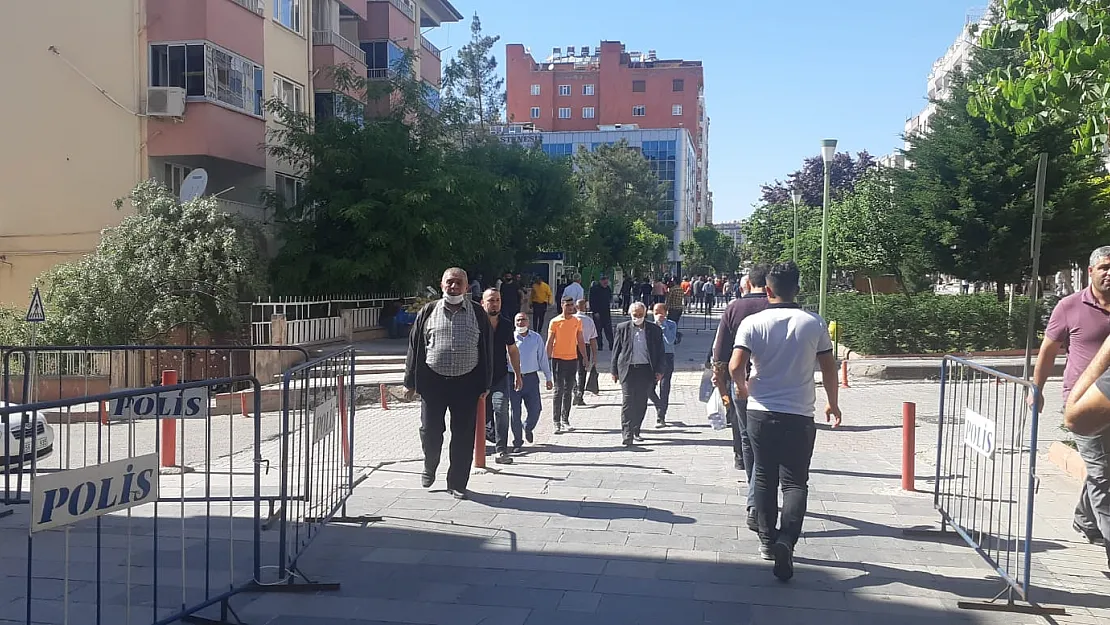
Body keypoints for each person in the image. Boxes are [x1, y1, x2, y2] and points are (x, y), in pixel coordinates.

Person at [729, 261, 842, 581]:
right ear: (798, 287)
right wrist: (833, 404)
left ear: (767, 290)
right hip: (800, 414)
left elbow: (736, 365)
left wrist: (742, 388)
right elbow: (830, 368)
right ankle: (786, 541)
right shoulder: (814, 323)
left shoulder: (753, 322)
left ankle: (767, 541)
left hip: (761, 412)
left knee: (763, 477)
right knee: (795, 482)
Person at [1034, 246, 1110, 551]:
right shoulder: (1069, 306)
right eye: (1104, 267)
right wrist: (1036, 388)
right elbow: (1048, 350)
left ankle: (1085, 518)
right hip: (1081, 406)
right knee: (1102, 473)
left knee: (1102, 470)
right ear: (1090, 272)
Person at [403, 268, 495, 500]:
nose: (454, 287)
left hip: (467, 383)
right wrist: (409, 382)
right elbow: (415, 348)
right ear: (442, 284)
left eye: (459, 283)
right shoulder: (428, 311)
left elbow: (487, 349)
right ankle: (430, 465)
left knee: (463, 435)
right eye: (449, 282)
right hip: (433, 382)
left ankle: (456, 483)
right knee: (431, 430)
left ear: (466, 287)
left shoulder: (477, 312)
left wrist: (486, 384)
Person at [711, 264, 771, 528]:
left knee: (747, 438)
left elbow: (721, 350)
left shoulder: (734, 308)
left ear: (748, 283)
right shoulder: (777, 308)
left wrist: (719, 378)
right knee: (769, 445)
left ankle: (753, 492)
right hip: (775, 386)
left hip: (741, 384)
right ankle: (758, 497)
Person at [611, 302, 665, 446]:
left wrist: (660, 370)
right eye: (635, 315)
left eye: (640, 315)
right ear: (631, 314)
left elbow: (660, 351)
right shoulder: (622, 328)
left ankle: (636, 429)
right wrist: (614, 371)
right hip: (628, 369)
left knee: (641, 402)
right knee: (628, 401)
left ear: (645, 313)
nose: (638, 317)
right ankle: (627, 434)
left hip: (646, 369)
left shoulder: (654, 330)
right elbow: (616, 350)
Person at [481, 289, 523, 465]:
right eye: (491, 300)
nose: (495, 303)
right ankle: (476, 445)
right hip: (476, 378)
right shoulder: (475, 323)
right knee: (477, 415)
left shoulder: (505, 324)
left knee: (501, 410)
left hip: (499, 377)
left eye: (498, 300)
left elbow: (512, 350)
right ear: (483, 303)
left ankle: (501, 451)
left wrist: (518, 375)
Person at [510, 312, 552, 451]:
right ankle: (517, 441)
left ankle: (527, 427)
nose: (521, 323)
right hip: (513, 378)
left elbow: (542, 358)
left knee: (536, 409)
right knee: (515, 411)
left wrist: (548, 377)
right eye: (518, 320)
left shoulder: (536, 338)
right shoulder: (510, 338)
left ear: (528, 322)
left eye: (523, 320)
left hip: (531, 379)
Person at [547, 297, 587, 434]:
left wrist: (585, 358)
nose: (570, 307)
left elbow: (580, 340)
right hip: (558, 359)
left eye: (572, 305)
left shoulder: (577, 321)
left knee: (568, 390)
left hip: (572, 359)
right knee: (558, 390)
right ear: (562, 305)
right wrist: (545, 359)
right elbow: (550, 341)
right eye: (568, 305)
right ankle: (556, 421)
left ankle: (566, 419)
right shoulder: (555, 322)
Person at [648, 302, 678, 427]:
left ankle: (661, 416)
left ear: (665, 313)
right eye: (655, 313)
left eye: (660, 312)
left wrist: (663, 325)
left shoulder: (671, 324)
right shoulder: (649, 326)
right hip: (653, 358)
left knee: (664, 387)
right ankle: (659, 405)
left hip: (667, 356)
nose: (658, 315)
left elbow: (670, 340)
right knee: (649, 387)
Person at [573, 298, 599, 405]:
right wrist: (594, 355)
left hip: (572, 347)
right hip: (586, 347)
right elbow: (593, 339)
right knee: (582, 371)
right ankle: (580, 393)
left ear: (576, 307)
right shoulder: (589, 320)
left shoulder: (571, 319)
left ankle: (575, 389)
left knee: (571, 370)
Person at [589, 276, 614, 350]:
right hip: (597, 313)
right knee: (598, 330)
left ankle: (611, 345)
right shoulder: (594, 289)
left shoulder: (608, 289)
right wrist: (595, 311)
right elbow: (592, 301)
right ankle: (600, 345)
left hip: (606, 312)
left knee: (608, 330)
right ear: (601, 281)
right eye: (604, 282)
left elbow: (609, 298)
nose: (605, 284)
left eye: (607, 282)